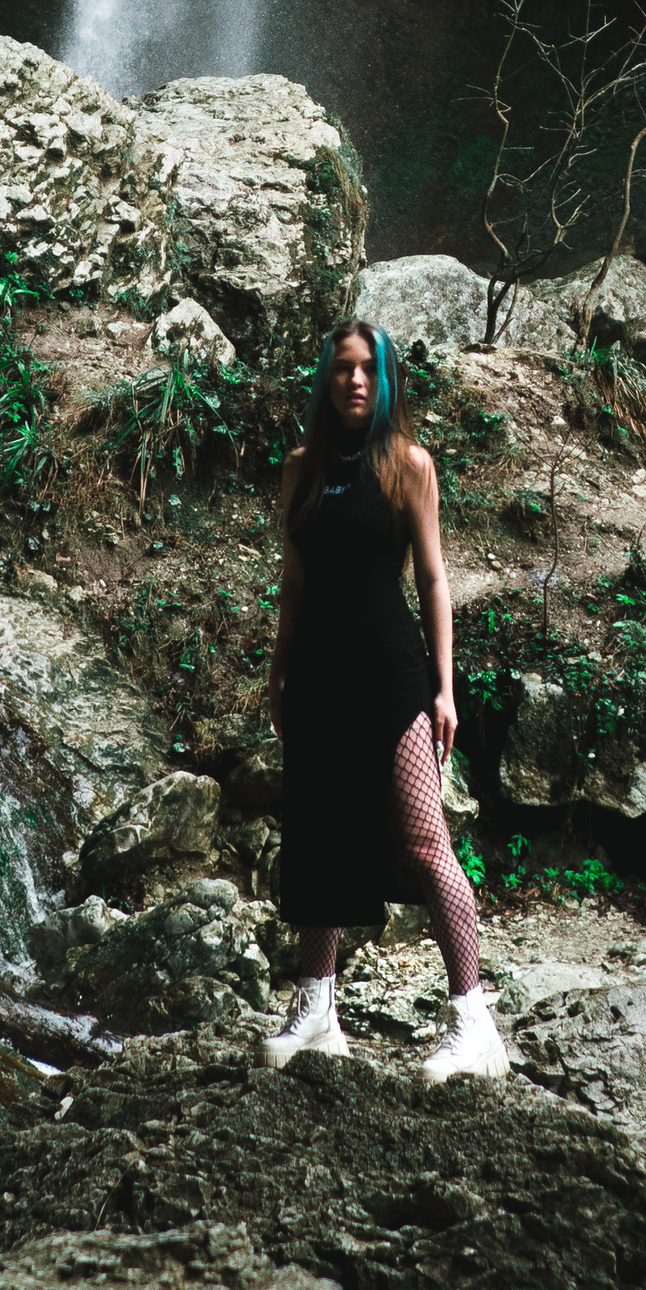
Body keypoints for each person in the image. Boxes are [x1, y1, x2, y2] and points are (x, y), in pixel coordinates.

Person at [262, 319, 511, 1081]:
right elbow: (295, 581)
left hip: (392, 677)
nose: (356, 380)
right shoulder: (301, 468)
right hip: (318, 677)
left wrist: (445, 687)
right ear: (326, 378)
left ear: (387, 378)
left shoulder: (408, 464)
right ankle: (316, 1011)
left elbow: (433, 579)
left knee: (426, 842)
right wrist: (278, 669)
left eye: (369, 368)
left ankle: (473, 1022)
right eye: (343, 367)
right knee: (320, 838)